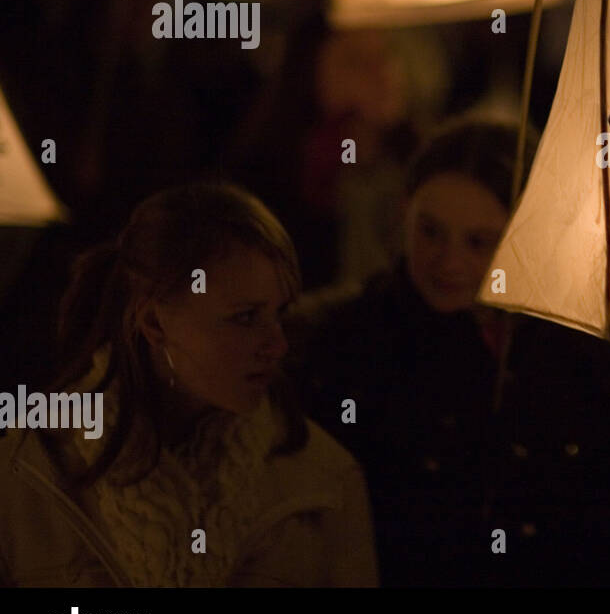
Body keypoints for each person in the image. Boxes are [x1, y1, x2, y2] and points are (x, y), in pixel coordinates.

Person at [294, 119, 610, 587]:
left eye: (479, 242)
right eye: (430, 231)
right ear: (404, 211)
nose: (448, 262)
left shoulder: (571, 347)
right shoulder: (349, 342)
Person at [0, 183, 378, 586]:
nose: (278, 344)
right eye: (246, 317)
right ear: (155, 323)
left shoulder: (323, 483)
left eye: (279, 313)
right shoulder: (28, 472)